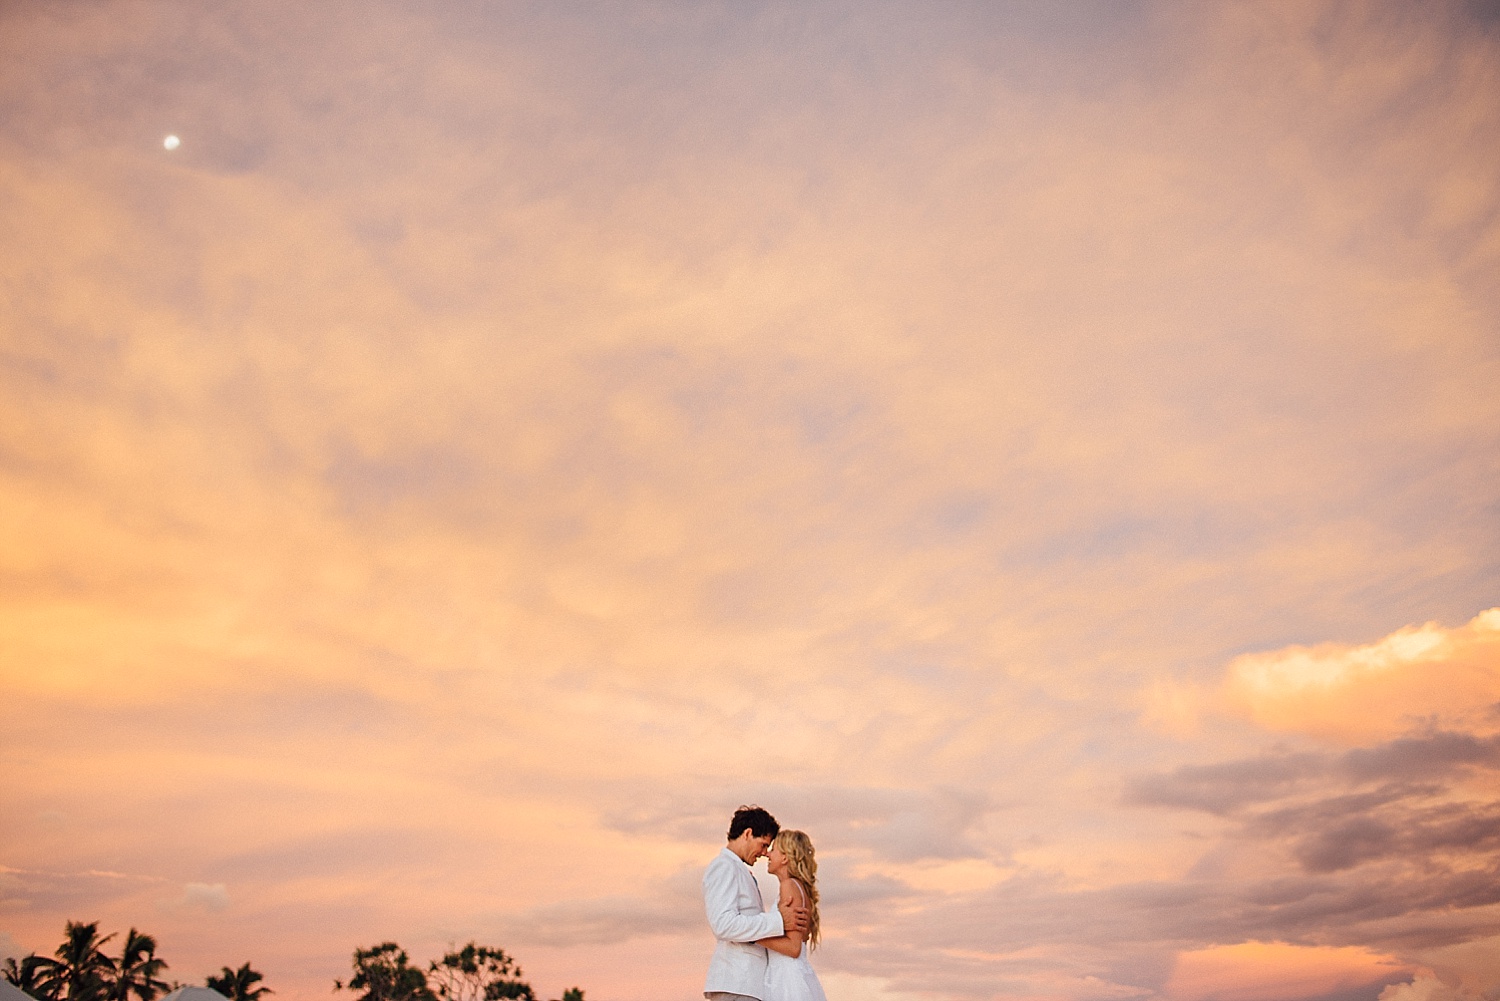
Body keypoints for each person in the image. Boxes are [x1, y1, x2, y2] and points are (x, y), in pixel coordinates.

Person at [703, 805, 809, 1001]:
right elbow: (723, 925)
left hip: (748, 984)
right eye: (763, 844)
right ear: (748, 834)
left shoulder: (739, 870)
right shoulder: (723, 867)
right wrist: (779, 922)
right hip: (737, 983)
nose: (764, 853)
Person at [755, 830, 826, 1001]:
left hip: (787, 981)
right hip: (787, 975)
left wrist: (752, 935)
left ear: (785, 858)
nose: (767, 854)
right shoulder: (797, 887)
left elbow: (794, 948)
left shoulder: (789, 886)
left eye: (773, 850)